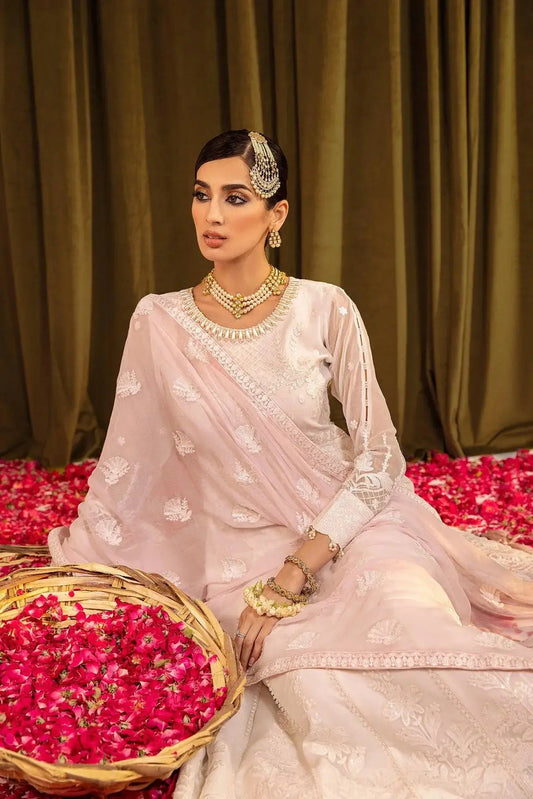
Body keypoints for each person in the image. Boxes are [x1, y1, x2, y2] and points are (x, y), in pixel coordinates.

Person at [49, 129, 533, 799]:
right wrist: (88, 573)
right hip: (238, 558)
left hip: (352, 527)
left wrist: (299, 567)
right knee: (311, 680)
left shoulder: (324, 307)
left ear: (275, 215)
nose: (212, 215)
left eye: (235, 197)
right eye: (201, 195)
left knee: (408, 621)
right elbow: (127, 469)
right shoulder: (159, 322)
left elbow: (379, 457)